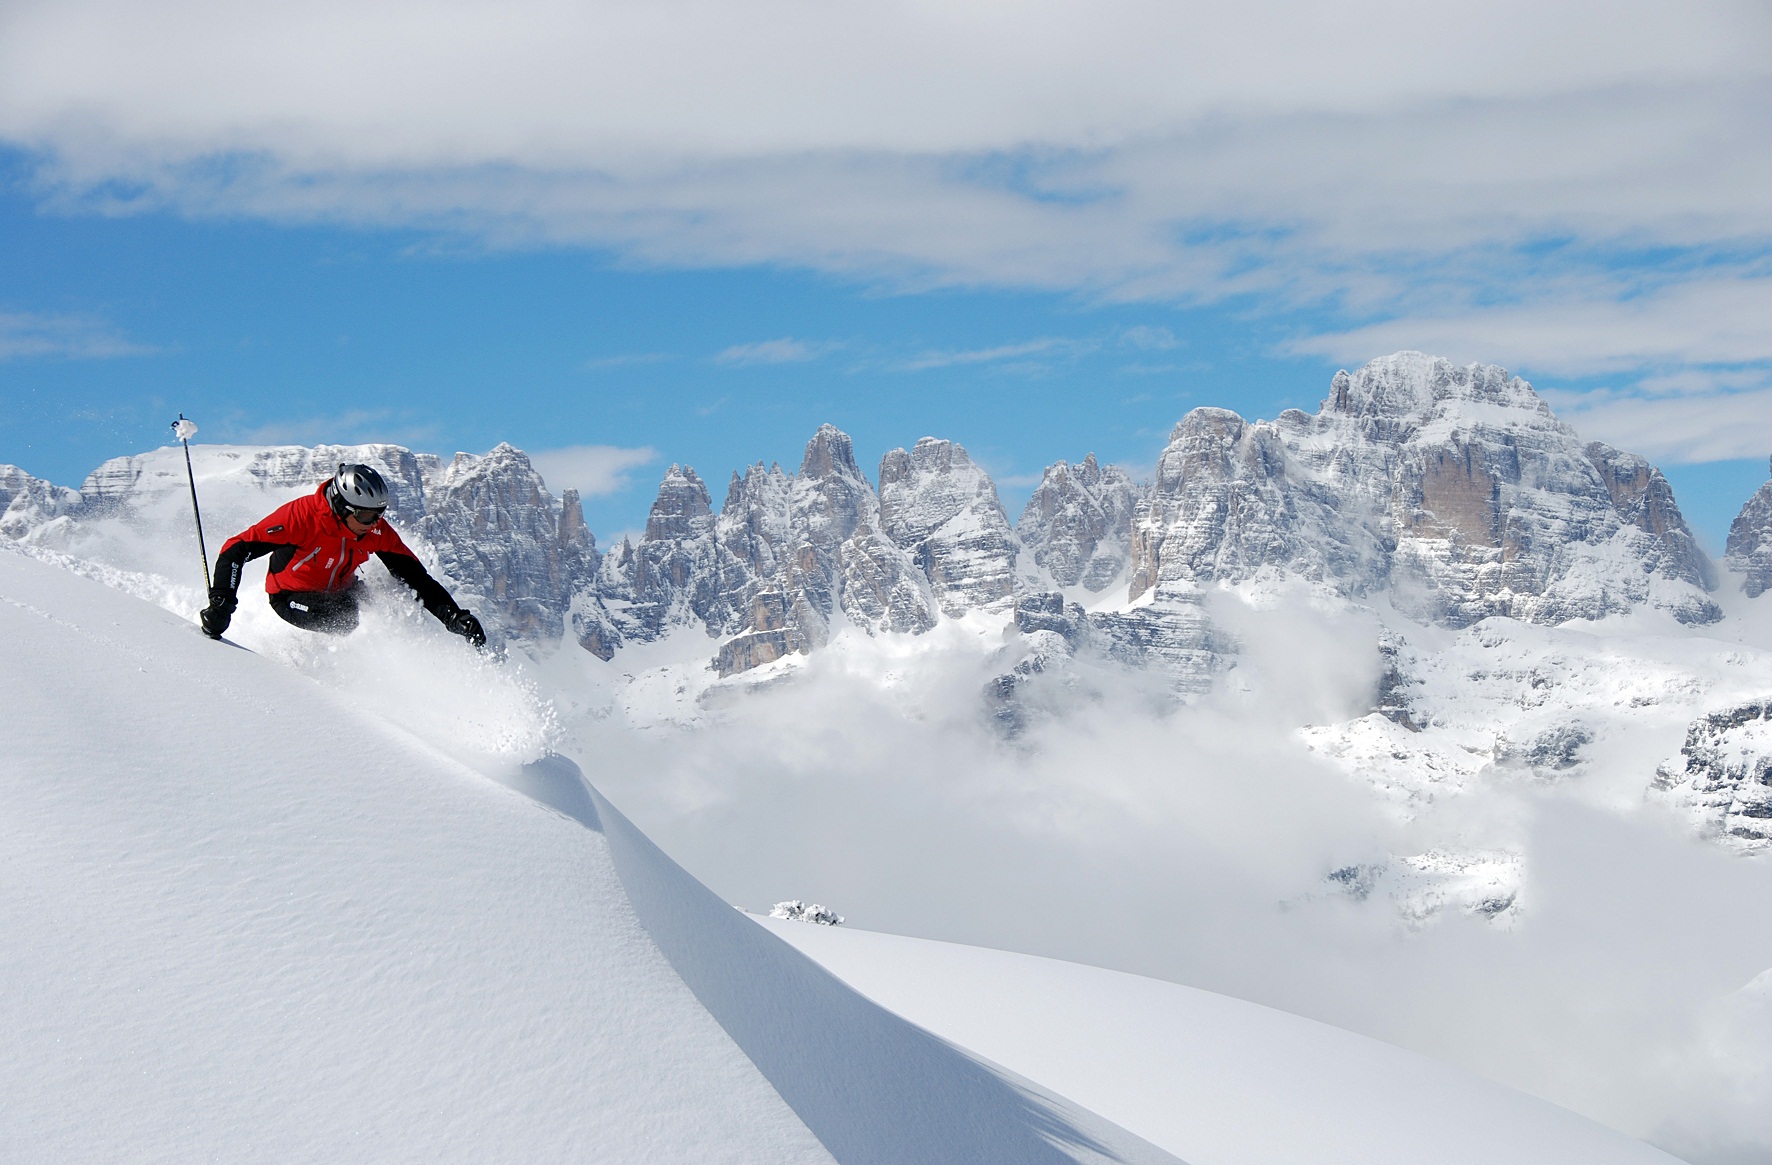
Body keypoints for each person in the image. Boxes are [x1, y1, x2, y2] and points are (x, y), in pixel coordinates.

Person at [198, 463, 486, 646]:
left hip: (341, 590)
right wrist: (222, 604)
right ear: (341, 506)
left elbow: (416, 577)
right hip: (290, 597)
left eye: (380, 514)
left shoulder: (375, 530)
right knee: (346, 619)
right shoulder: (301, 518)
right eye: (367, 516)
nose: (375, 523)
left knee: (383, 608)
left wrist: (454, 617)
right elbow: (235, 549)